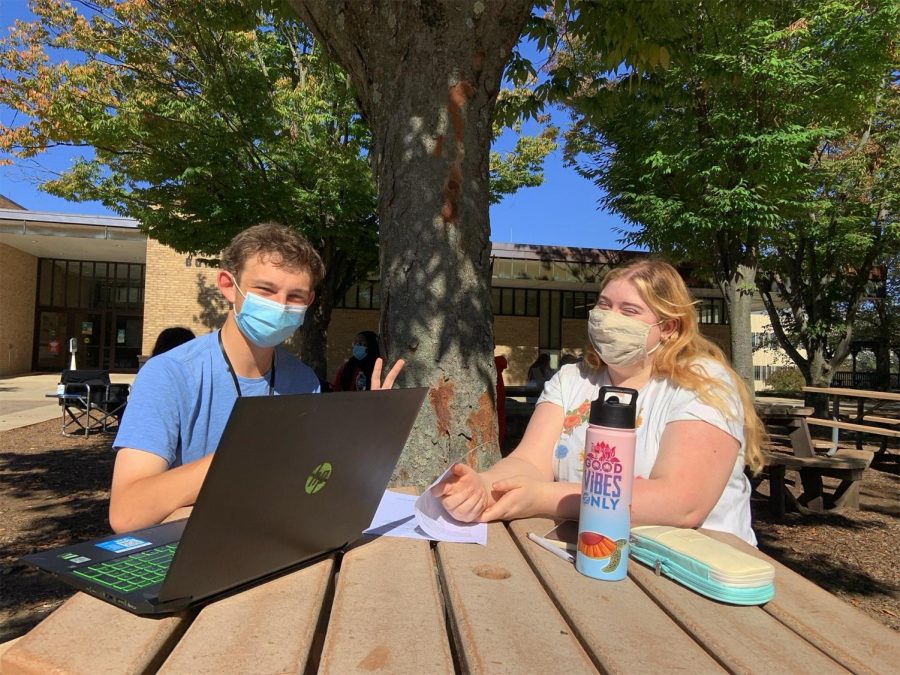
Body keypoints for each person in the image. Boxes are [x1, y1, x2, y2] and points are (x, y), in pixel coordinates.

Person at [434, 258, 766, 545]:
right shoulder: (572, 380)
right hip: (596, 553)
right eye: (604, 305)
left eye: (629, 311)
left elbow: (683, 503)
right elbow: (530, 463)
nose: (609, 317)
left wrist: (546, 498)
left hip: (698, 568)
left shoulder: (703, 382)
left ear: (668, 327)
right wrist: (484, 485)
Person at [109, 222, 404, 533]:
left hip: (274, 541)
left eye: (295, 297)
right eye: (265, 290)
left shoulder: (304, 381)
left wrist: (367, 436)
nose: (280, 306)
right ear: (227, 285)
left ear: (310, 302)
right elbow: (127, 514)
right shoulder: (168, 374)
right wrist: (246, 453)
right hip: (189, 550)